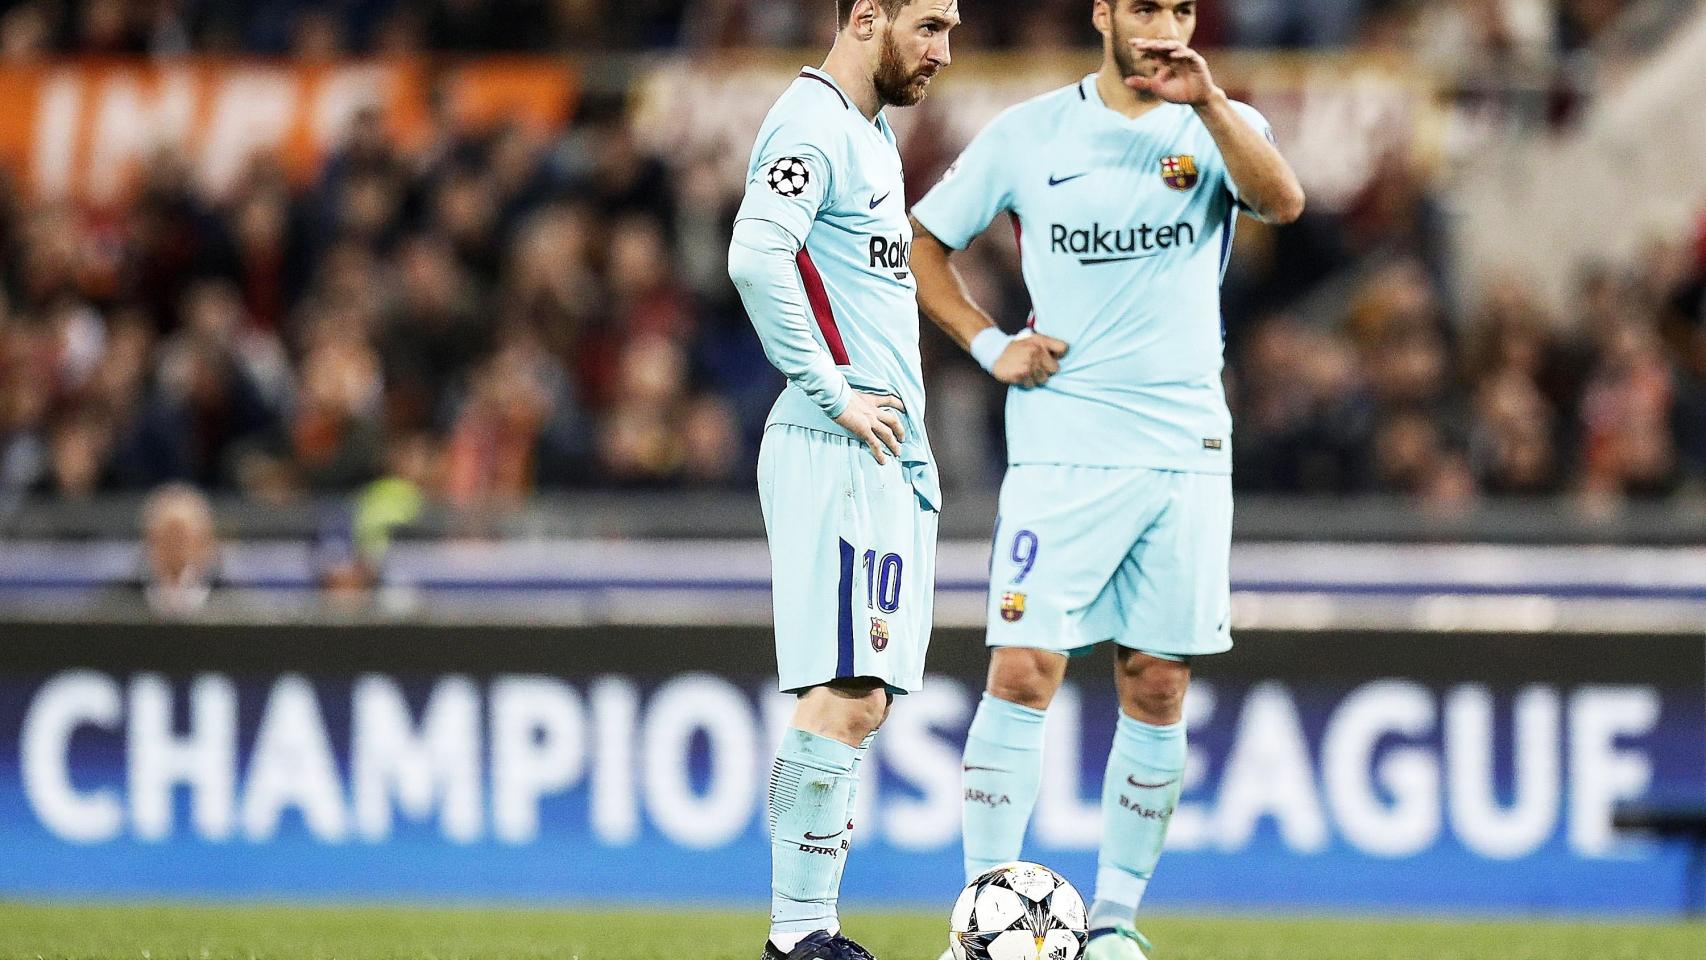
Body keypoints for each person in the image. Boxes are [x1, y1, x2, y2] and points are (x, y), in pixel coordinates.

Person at [908, 1, 1305, 957]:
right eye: (1143, 6)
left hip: (1184, 448)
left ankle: (1118, 924)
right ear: (1104, 14)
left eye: (1179, 5)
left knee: (1157, 683)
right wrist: (990, 342)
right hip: (1061, 446)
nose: (1163, 22)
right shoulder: (1030, 131)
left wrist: (1208, 104)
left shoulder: (1219, 123)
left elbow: (1283, 202)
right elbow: (923, 245)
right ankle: (985, 918)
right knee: (1023, 667)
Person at [725, 2, 959, 959]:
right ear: (868, 17)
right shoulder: (812, 119)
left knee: (864, 696)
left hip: (881, 454)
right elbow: (754, 254)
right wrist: (834, 393)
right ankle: (797, 938)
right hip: (840, 444)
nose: (945, 50)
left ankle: (805, 931)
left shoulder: (869, 134)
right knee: (848, 688)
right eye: (932, 25)